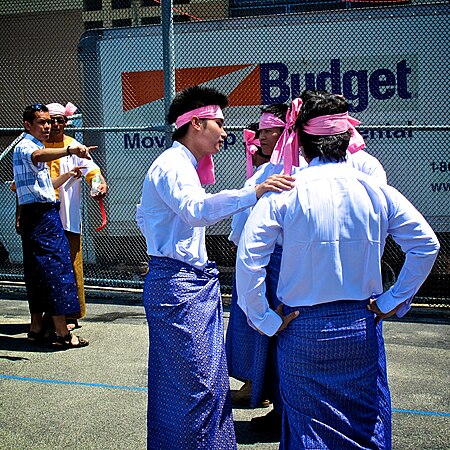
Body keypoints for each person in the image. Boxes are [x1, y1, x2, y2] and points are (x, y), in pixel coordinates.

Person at [235, 91, 440, 449]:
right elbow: (426, 245)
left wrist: (265, 320)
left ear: (298, 139)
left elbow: (249, 259)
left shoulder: (284, 193)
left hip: (301, 327)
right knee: (365, 423)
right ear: (347, 136)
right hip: (361, 323)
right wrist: (393, 299)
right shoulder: (377, 190)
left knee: (307, 429)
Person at [135, 85, 295, 449]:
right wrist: (253, 193)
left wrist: (161, 248)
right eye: (219, 123)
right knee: (197, 384)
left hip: (181, 280)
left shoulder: (177, 165)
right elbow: (196, 211)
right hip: (178, 283)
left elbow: (145, 215)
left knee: (193, 382)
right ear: (196, 124)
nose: (226, 131)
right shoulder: (173, 166)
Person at [226, 103, 306, 432]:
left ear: (285, 130)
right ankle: (268, 398)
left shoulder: (290, 170)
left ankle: (281, 411)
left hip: (275, 264)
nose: (259, 136)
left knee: (277, 337)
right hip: (266, 263)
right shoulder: (270, 167)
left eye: (266, 130)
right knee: (264, 338)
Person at [13, 103, 95, 349]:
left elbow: (46, 185)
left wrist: (70, 175)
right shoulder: (28, 147)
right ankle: (62, 332)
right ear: (28, 125)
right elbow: (38, 157)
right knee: (57, 270)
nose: (48, 127)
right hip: (42, 217)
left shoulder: (35, 146)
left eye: (50, 122)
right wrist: (70, 150)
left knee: (39, 272)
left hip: (39, 214)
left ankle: (37, 328)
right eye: (43, 122)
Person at [45, 102, 107, 329]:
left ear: (65, 122)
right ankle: (48, 317)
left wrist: (98, 185)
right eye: (51, 120)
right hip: (42, 221)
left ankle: (71, 315)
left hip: (67, 220)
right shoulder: (36, 148)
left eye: (60, 120)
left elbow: (93, 170)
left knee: (71, 266)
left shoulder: (74, 146)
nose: (55, 124)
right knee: (47, 269)